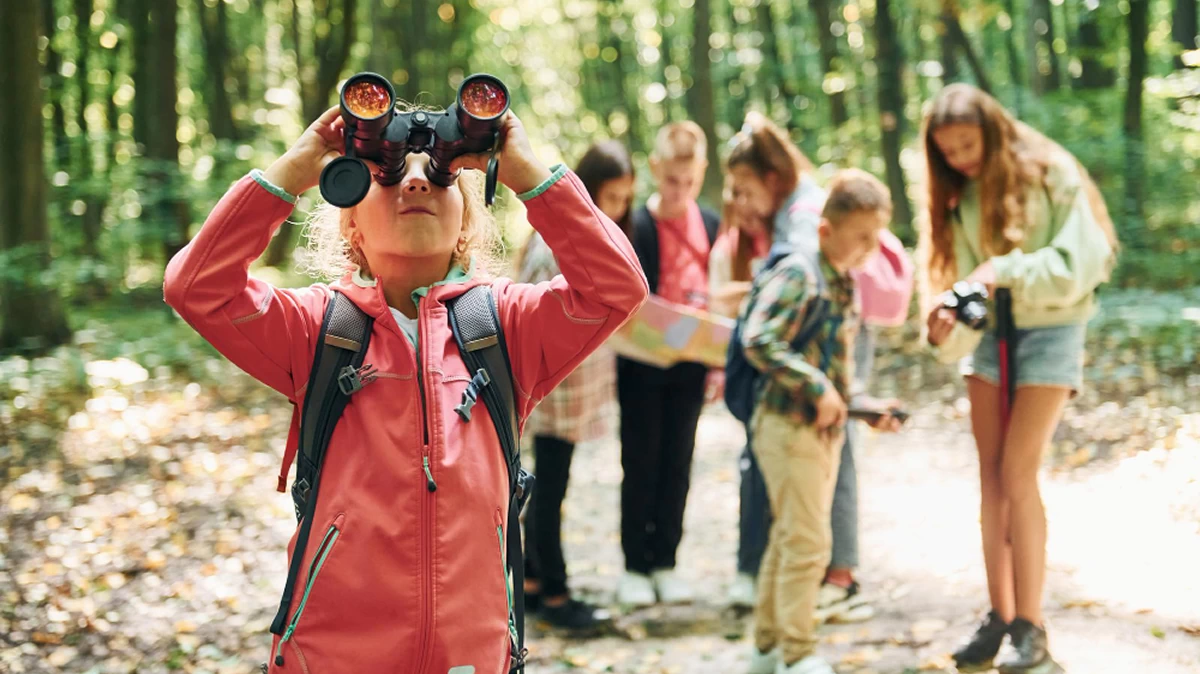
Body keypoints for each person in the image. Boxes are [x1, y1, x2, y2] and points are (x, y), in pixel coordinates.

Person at [163, 104, 648, 673]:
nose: (416, 178)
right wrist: (293, 171)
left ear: (466, 225)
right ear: (351, 225)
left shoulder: (506, 328)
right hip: (333, 655)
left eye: (439, 175)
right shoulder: (317, 330)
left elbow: (618, 289)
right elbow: (195, 287)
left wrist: (530, 177)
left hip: (469, 654)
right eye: (387, 174)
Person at [919, 83, 1117, 674]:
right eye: (947, 151)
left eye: (967, 145)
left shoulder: (1050, 171)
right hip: (989, 341)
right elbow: (961, 294)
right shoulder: (959, 194)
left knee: (1016, 471)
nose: (959, 159)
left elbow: (1081, 265)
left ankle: (1032, 626)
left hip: (1053, 331)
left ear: (993, 130)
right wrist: (942, 327)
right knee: (989, 476)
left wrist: (1003, 270)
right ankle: (1000, 615)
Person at [721, 113, 912, 619]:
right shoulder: (801, 239)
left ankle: (827, 588)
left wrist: (852, 403)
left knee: (805, 521)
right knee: (800, 533)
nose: (742, 203)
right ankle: (790, 636)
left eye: (745, 189)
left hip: (812, 388)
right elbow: (772, 328)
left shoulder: (812, 233)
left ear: (769, 178)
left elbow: (791, 329)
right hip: (797, 396)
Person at [741, 169, 903, 674]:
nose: (870, 249)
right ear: (827, 231)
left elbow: (836, 373)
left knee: (791, 538)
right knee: (810, 544)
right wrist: (816, 387)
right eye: (862, 237)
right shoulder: (801, 272)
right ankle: (798, 652)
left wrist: (864, 407)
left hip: (820, 432)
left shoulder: (844, 283)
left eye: (877, 238)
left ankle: (766, 651)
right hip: (786, 427)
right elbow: (758, 338)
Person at [516, 140, 635, 631]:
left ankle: (533, 580)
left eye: (626, 198)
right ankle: (556, 597)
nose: (619, 208)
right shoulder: (557, 244)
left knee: (547, 485)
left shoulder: (570, 237)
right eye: (611, 197)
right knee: (548, 489)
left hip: (564, 385)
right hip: (555, 387)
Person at [616, 121, 721, 607]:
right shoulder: (635, 225)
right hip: (640, 364)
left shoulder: (714, 226)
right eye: (671, 180)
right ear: (655, 170)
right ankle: (635, 564)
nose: (680, 191)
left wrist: (719, 364)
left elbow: (721, 297)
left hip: (692, 361)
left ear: (700, 174)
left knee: (678, 460)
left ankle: (666, 561)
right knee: (640, 458)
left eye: (690, 181)